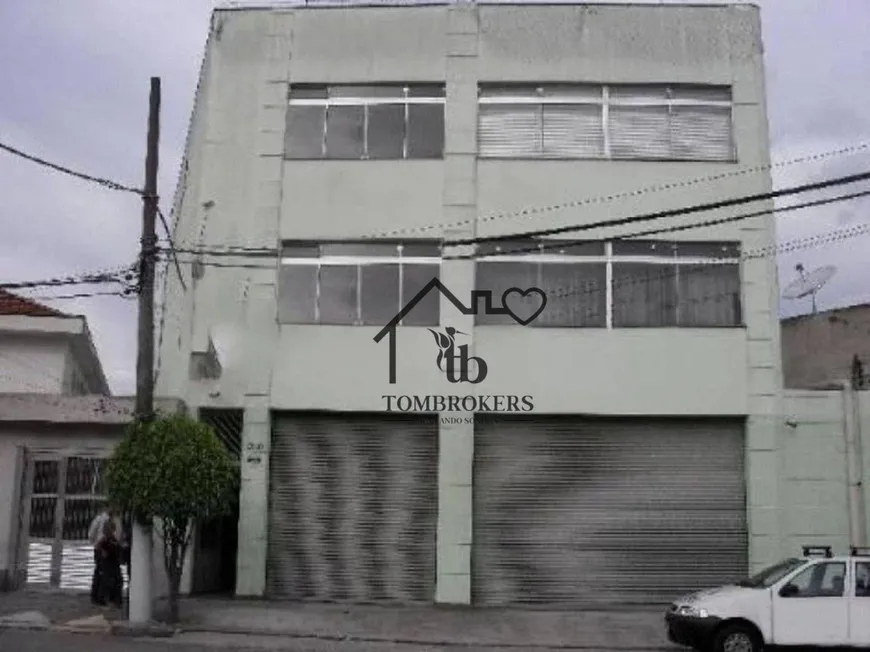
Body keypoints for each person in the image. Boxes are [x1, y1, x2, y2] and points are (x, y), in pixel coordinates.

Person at [88, 507, 113, 605]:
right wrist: (97, 544)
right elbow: (91, 534)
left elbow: (91, 535)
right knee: (102, 573)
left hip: (101, 548)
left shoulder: (104, 519)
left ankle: (97, 596)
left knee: (100, 572)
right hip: (101, 548)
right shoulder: (102, 519)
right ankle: (99, 597)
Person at [96, 519, 124, 608]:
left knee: (115, 581)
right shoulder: (105, 540)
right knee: (108, 582)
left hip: (112, 563)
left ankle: (113, 600)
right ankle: (107, 600)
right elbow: (102, 551)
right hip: (108, 564)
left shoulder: (111, 540)